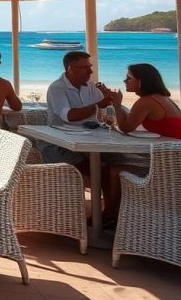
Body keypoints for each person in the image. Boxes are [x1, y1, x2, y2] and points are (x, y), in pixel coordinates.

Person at [99, 63, 181, 223]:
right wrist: (116, 103)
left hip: (169, 166)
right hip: (172, 159)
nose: (125, 81)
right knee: (113, 162)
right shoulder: (162, 99)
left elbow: (126, 127)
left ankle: (110, 215)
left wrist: (116, 104)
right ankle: (116, 213)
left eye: (129, 78)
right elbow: (131, 120)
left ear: (141, 81)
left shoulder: (147, 101)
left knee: (113, 169)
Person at [38, 51, 111, 168]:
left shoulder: (90, 85)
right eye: (85, 68)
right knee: (94, 169)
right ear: (70, 68)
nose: (90, 71)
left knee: (114, 164)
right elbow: (69, 116)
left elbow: (106, 108)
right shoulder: (57, 88)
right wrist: (98, 105)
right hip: (60, 143)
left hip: (90, 139)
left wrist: (111, 99)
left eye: (90, 67)